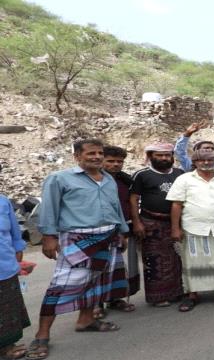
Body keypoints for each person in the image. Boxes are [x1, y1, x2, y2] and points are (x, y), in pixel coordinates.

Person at [27, 139, 130, 360]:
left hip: (108, 236)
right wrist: (48, 236)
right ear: (77, 156)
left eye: (99, 153)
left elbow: (115, 208)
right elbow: (49, 209)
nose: (96, 157)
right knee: (61, 286)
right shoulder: (59, 179)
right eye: (91, 153)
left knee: (95, 281)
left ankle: (86, 320)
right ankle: (42, 334)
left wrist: (122, 231)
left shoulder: (108, 179)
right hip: (77, 238)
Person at [167, 149, 214, 312]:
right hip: (194, 227)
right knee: (193, 263)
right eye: (201, 160)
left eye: (210, 159)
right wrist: (175, 228)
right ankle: (192, 295)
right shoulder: (184, 179)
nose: (206, 163)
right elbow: (176, 204)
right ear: (195, 162)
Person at [130, 142, 184, 307]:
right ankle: (158, 296)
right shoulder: (142, 175)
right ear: (151, 157)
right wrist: (137, 223)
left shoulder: (180, 173)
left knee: (176, 258)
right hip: (151, 223)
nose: (163, 158)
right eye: (159, 155)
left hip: (175, 221)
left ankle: (177, 292)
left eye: (167, 155)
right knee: (154, 260)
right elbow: (134, 199)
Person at [93, 145, 138, 319]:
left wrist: (124, 230)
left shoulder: (124, 181)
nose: (115, 165)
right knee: (96, 269)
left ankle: (115, 298)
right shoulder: (91, 180)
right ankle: (95, 303)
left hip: (118, 229)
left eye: (119, 161)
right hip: (95, 230)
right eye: (110, 161)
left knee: (116, 267)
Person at [0, 195, 30, 360]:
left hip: (4, 266)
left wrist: (18, 252)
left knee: (7, 307)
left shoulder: (3, 202)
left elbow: (14, 233)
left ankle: (6, 346)